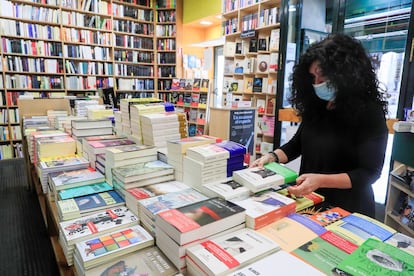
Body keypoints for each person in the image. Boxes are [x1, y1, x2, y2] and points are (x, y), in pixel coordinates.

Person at [251, 33, 388, 218]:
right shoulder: (317, 105)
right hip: (311, 201)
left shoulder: (369, 113)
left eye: (322, 77)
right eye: (313, 77)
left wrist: (321, 180)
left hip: (348, 209)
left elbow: (369, 173)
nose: (316, 84)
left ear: (345, 74)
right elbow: (297, 144)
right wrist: (272, 156)